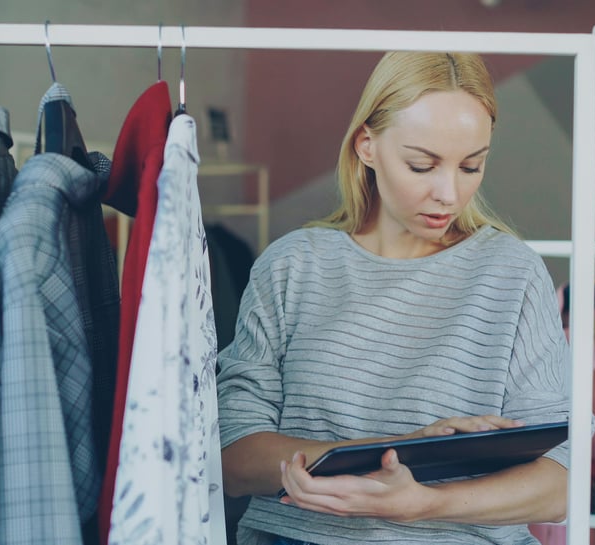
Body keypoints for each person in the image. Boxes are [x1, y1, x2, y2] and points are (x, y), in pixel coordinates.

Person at [216, 51, 571, 545]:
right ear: (367, 146)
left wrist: (424, 503)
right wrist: (400, 448)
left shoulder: (513, 273)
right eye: (422, 165)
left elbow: (560, 484)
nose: (449, 194)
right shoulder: (292, 266)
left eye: (472, 166)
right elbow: (233, 458)